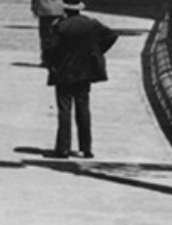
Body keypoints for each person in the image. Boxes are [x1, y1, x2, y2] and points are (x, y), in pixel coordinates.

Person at [44, 0, 116, 159]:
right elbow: (111, 35)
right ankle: (86, 147)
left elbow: (51, 49)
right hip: (85, 71)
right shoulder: (91, 24)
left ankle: (63, 148)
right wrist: (97, 51)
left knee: (64, 108)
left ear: (65, 10)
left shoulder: (60, 26)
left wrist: (52, 63)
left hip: (65, 72)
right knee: (83, 108)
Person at [32, 0, 64, 67]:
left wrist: (34, 7)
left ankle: (47, 59)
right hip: (59, 8)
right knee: (57, 34)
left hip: (44, 9)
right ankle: (56, 58)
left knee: (45, 35)